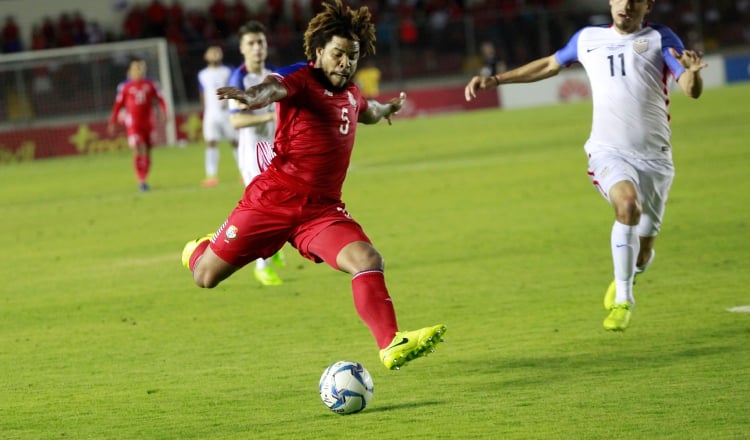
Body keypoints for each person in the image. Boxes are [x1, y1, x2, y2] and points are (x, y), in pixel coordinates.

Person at [181, 0, 446, 369]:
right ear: (319, 52)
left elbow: (368, 112)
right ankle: (197, 249)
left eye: (352, 56)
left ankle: (391, 343)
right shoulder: (300, 79)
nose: (346, 63)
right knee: (205, 276)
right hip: (271, 199)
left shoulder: (351, 94)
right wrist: (250, 97)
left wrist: (388, 109)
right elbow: (271, 90)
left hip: (321, 210)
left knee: (368, 259)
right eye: (338, 54)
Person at [465, 0, 706, 331]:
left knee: (643, 252)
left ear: (647, 6)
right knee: (627, 205)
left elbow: (689, 90)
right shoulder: (588, 39)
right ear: (610, 2)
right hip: (608, 151)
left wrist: (692, 72)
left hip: (655, 159)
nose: (626, 6)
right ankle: (624, 299)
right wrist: (495, 80)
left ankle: (630, 273)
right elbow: (550, 64)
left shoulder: (661, 39)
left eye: (635, 0)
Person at [227, 20, 286, 286]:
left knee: (284, 199)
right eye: (251, 43)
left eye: (260, 42)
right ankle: (262, 265)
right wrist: (268, 116)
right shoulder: (238, 79)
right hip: (252, 151)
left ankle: (274, 248)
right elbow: (236, 121)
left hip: (275, 147)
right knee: (266, 206)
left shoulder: (273, 74)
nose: (257, 48)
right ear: (242, 48)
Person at [108, 57, 168, 192]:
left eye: (139, 68)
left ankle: (144, 178)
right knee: (138, 148)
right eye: (135, 68)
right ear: (130, 71)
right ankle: (141, 180)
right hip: (134, 124)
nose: (137, 71)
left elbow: (161, 100)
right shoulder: (125, 87)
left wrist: (164, 112)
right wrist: (112, 121)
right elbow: (118, 105)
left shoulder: (151, 84)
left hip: (148, 122)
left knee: (147, 150)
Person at [197, 45, 238, 187]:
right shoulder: (202, 74)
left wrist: (229, 102)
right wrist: (205, 109)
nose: (215, 53)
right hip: (211, 114)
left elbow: (234, 86)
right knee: (211, 142)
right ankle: (211, 175)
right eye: (211, 51)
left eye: (217, 51)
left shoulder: (228, 70)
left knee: (236, 141)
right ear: (205, 56)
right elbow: (202, 93)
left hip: (227, 113)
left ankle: (244, 171)